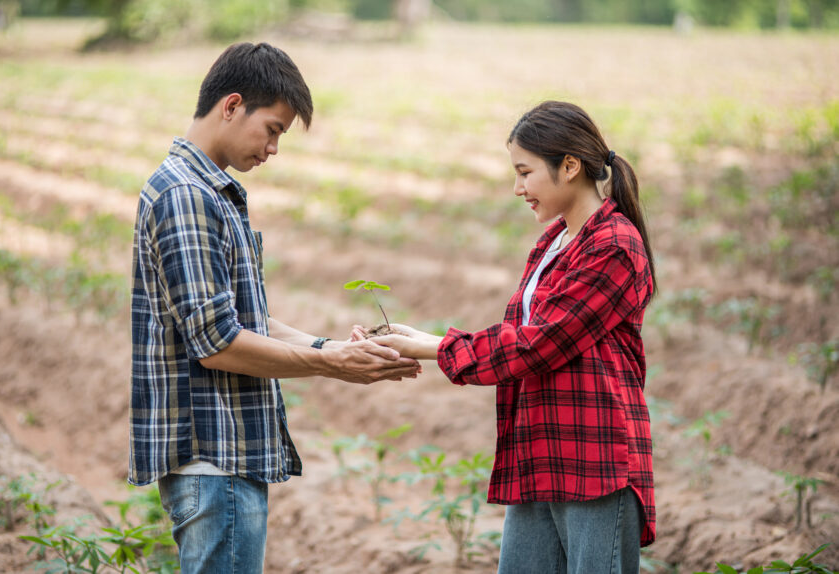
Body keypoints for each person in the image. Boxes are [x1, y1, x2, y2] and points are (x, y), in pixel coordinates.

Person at [129, 42, 420, 574]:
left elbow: (241, 320)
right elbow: (217, 343)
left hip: (222, 462)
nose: (274, 148)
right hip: (215, 461)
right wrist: (331, 364)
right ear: (232, 105)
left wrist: (329, 347)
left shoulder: (210, 192)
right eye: (273, 129)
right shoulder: (188, 195)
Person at [356, 101, 656, 574]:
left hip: (595, 459)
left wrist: (436, 347)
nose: (517, 188)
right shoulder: (553, 242)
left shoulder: (614, 245)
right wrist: (420, 338)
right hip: (540, 450)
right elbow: (522, 337)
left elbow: (539, 343)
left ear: (570, 167)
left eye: (525, 172)